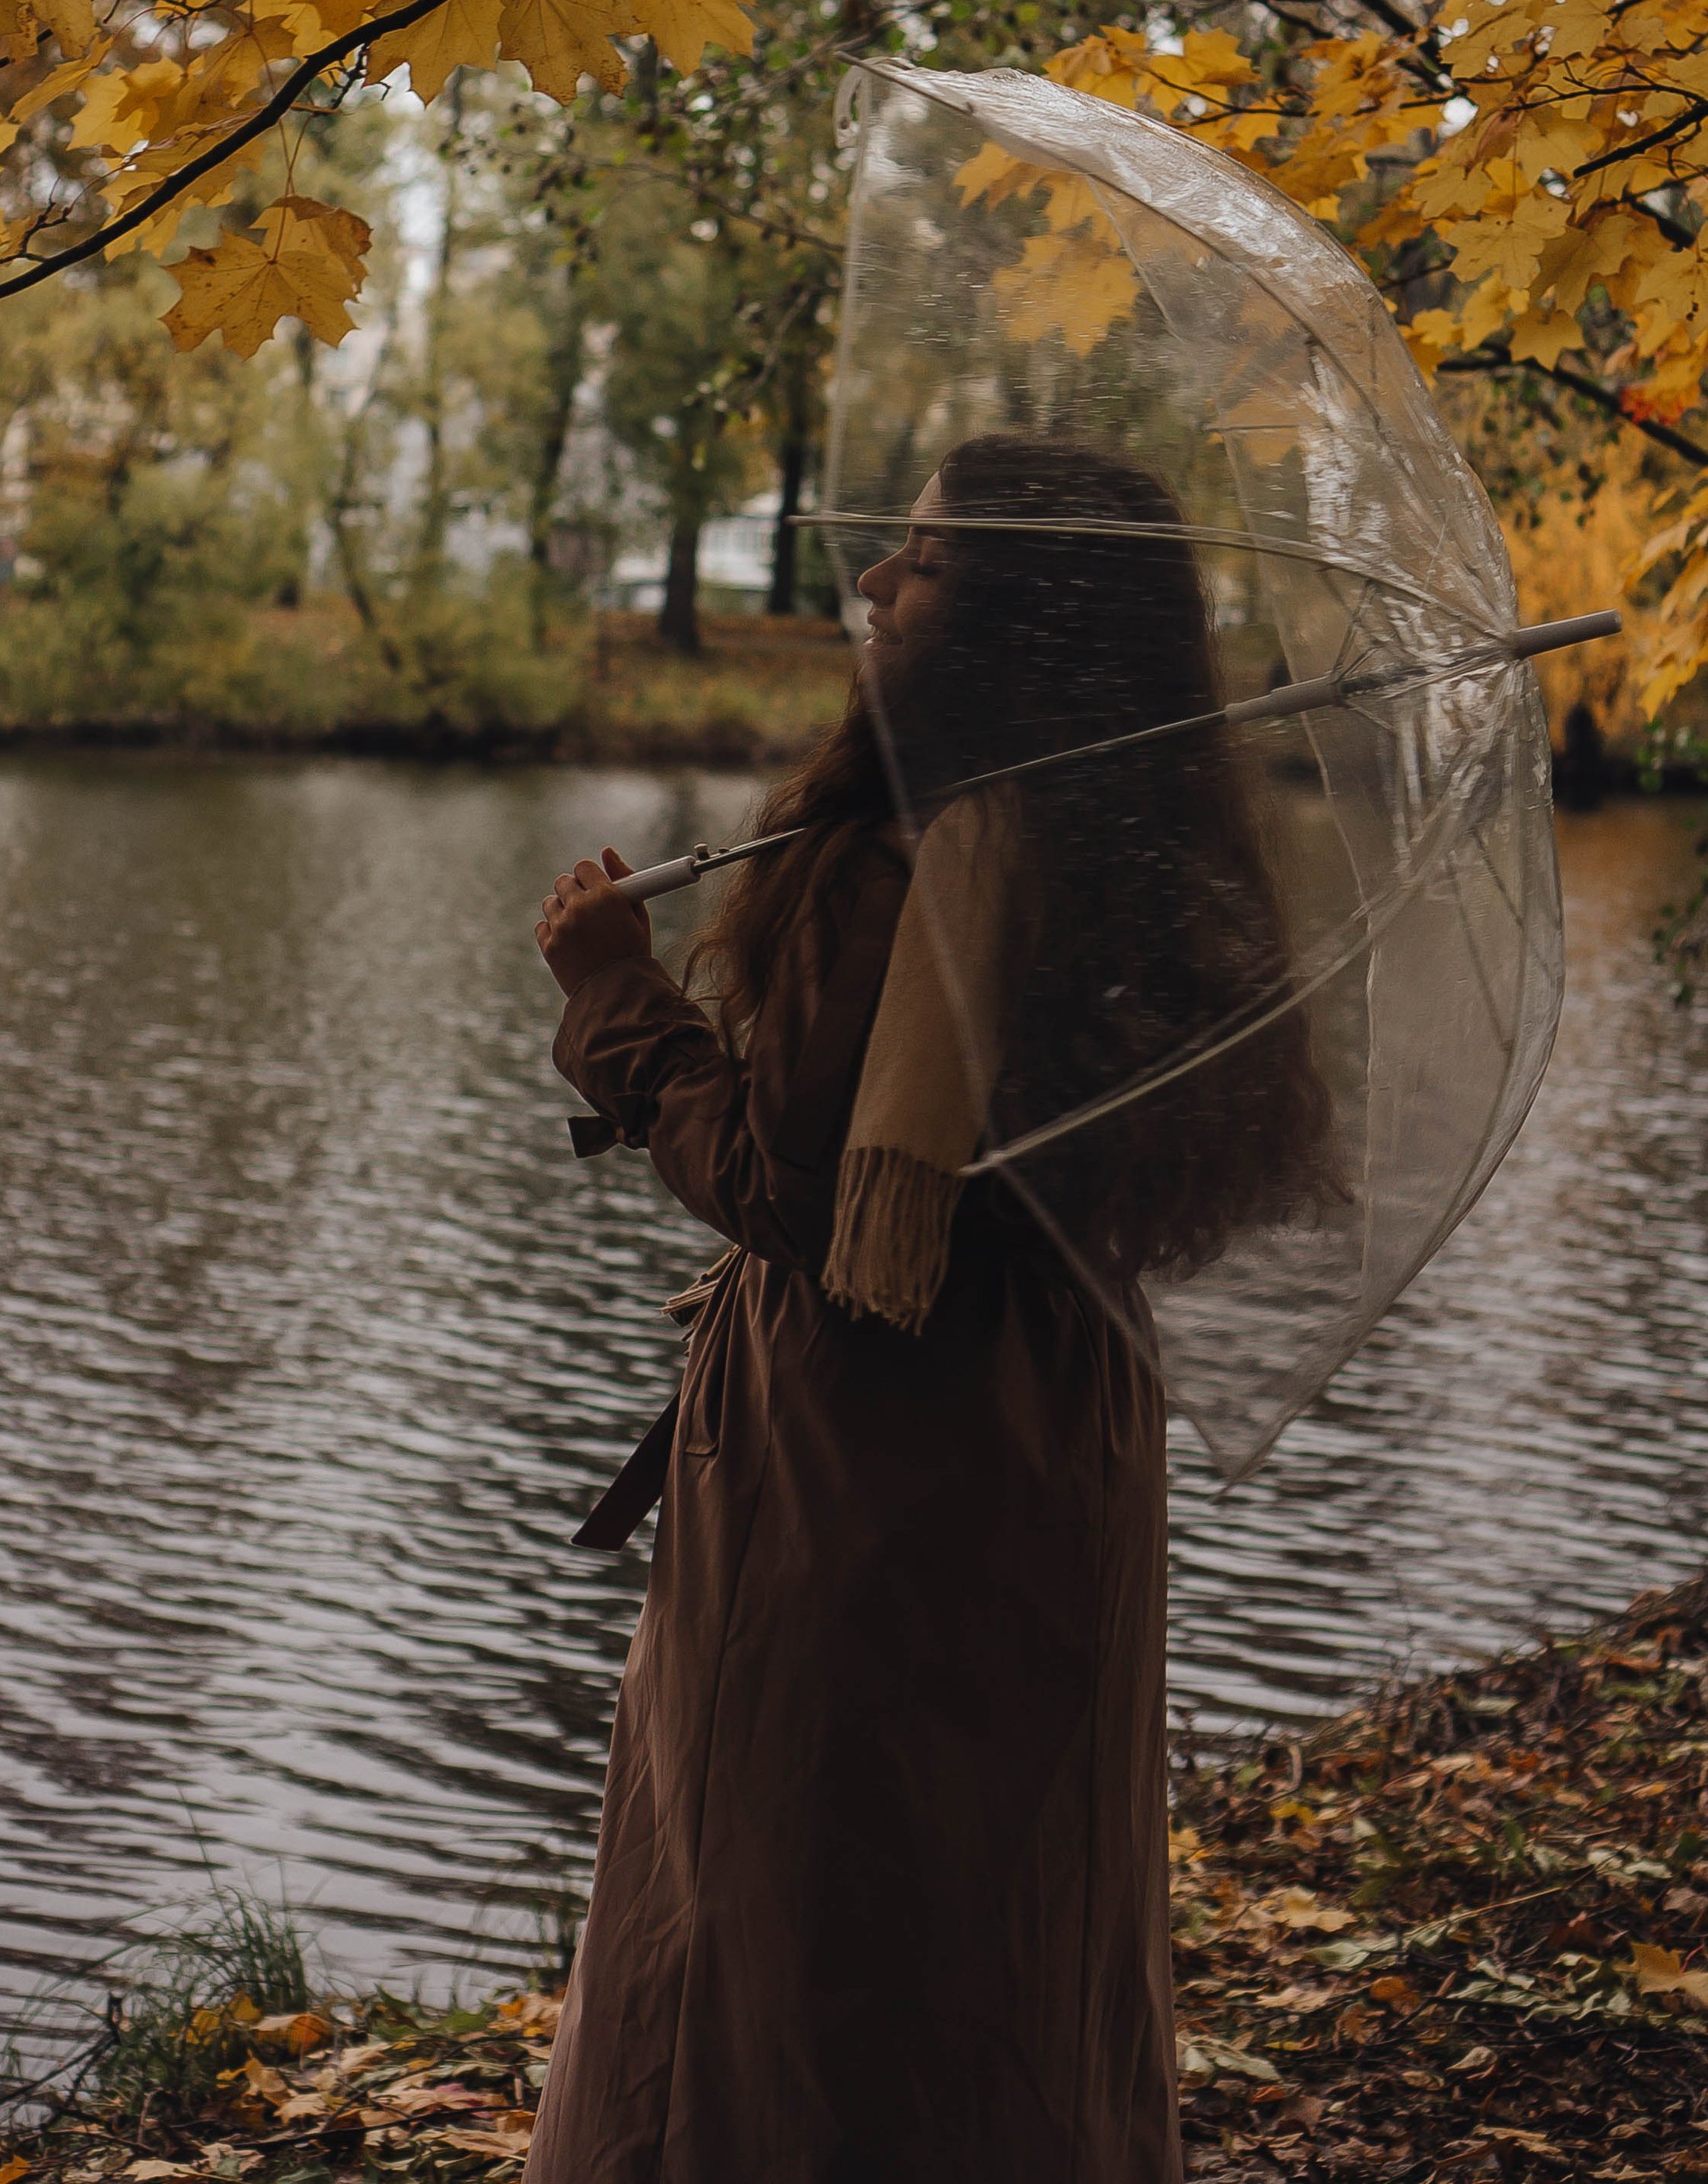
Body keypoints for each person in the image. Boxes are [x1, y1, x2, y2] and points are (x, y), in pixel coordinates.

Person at [525, 433, 1331, 2184]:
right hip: (1057, 1429)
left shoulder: (921, 859)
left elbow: (787, 1190)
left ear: (1027, 617)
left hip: (856, 1467)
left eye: (926, 561)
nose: (878, 586)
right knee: (1003, 1903)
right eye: (893, 551)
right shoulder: (1138, 856)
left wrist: (613, 1001)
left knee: (790, 1920)